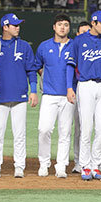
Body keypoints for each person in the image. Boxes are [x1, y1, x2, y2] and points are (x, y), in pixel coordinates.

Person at [66, 11, 101, 181]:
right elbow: (70, 65)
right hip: (85, 86)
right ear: (93, 22)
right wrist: (70, 88)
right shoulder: (79, 40)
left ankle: (96, 164)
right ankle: (85, 165)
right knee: (86, 128)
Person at [0, 13, 38, 178]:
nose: (18, 27)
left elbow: (31, 70)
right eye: (14, 25)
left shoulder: (24, 46)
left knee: (19, 134)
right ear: (5, 27)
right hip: (0, 97)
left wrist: (33, 90)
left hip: (19, 96)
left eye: (18, 25)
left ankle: (19, 166)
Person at [34, 14, 76, 178]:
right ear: (54, 27)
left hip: (68, 95)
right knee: (44, 129)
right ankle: (44, 163)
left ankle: (61, 165)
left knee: (65, 132)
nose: (63, 27)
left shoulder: (74, 46)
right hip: (49, 94)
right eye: (60, 24)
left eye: (66, 24)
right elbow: (37, 66)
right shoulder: (44, 46)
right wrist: (46, 76)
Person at [71, 21, 91, 174]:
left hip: (93, 91)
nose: (86, 35)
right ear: (77, 35)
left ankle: (98, 160)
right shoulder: (75, 47)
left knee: (97, 126)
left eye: (88, 32)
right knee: (80, 127)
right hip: (76, 91)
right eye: (82, 32)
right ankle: (78, 161)